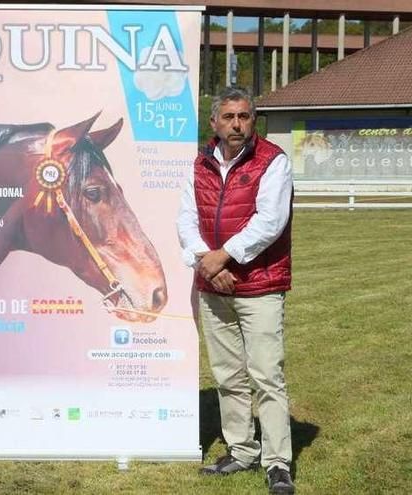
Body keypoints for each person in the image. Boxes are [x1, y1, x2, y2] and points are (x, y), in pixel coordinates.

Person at [177, 87, 296, 495]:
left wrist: (223, 257)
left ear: (254, 120)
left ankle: (277, 462)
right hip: (214, 286)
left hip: (259, 286)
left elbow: (270, 222)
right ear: (214, 122)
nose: (237, 125)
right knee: (228, 375)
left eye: (244, 117)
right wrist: (207, 264)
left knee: (266, 375)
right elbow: (186, 221)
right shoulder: (198, 164)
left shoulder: (272, 161)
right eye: (228, 117)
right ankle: (241, 450)